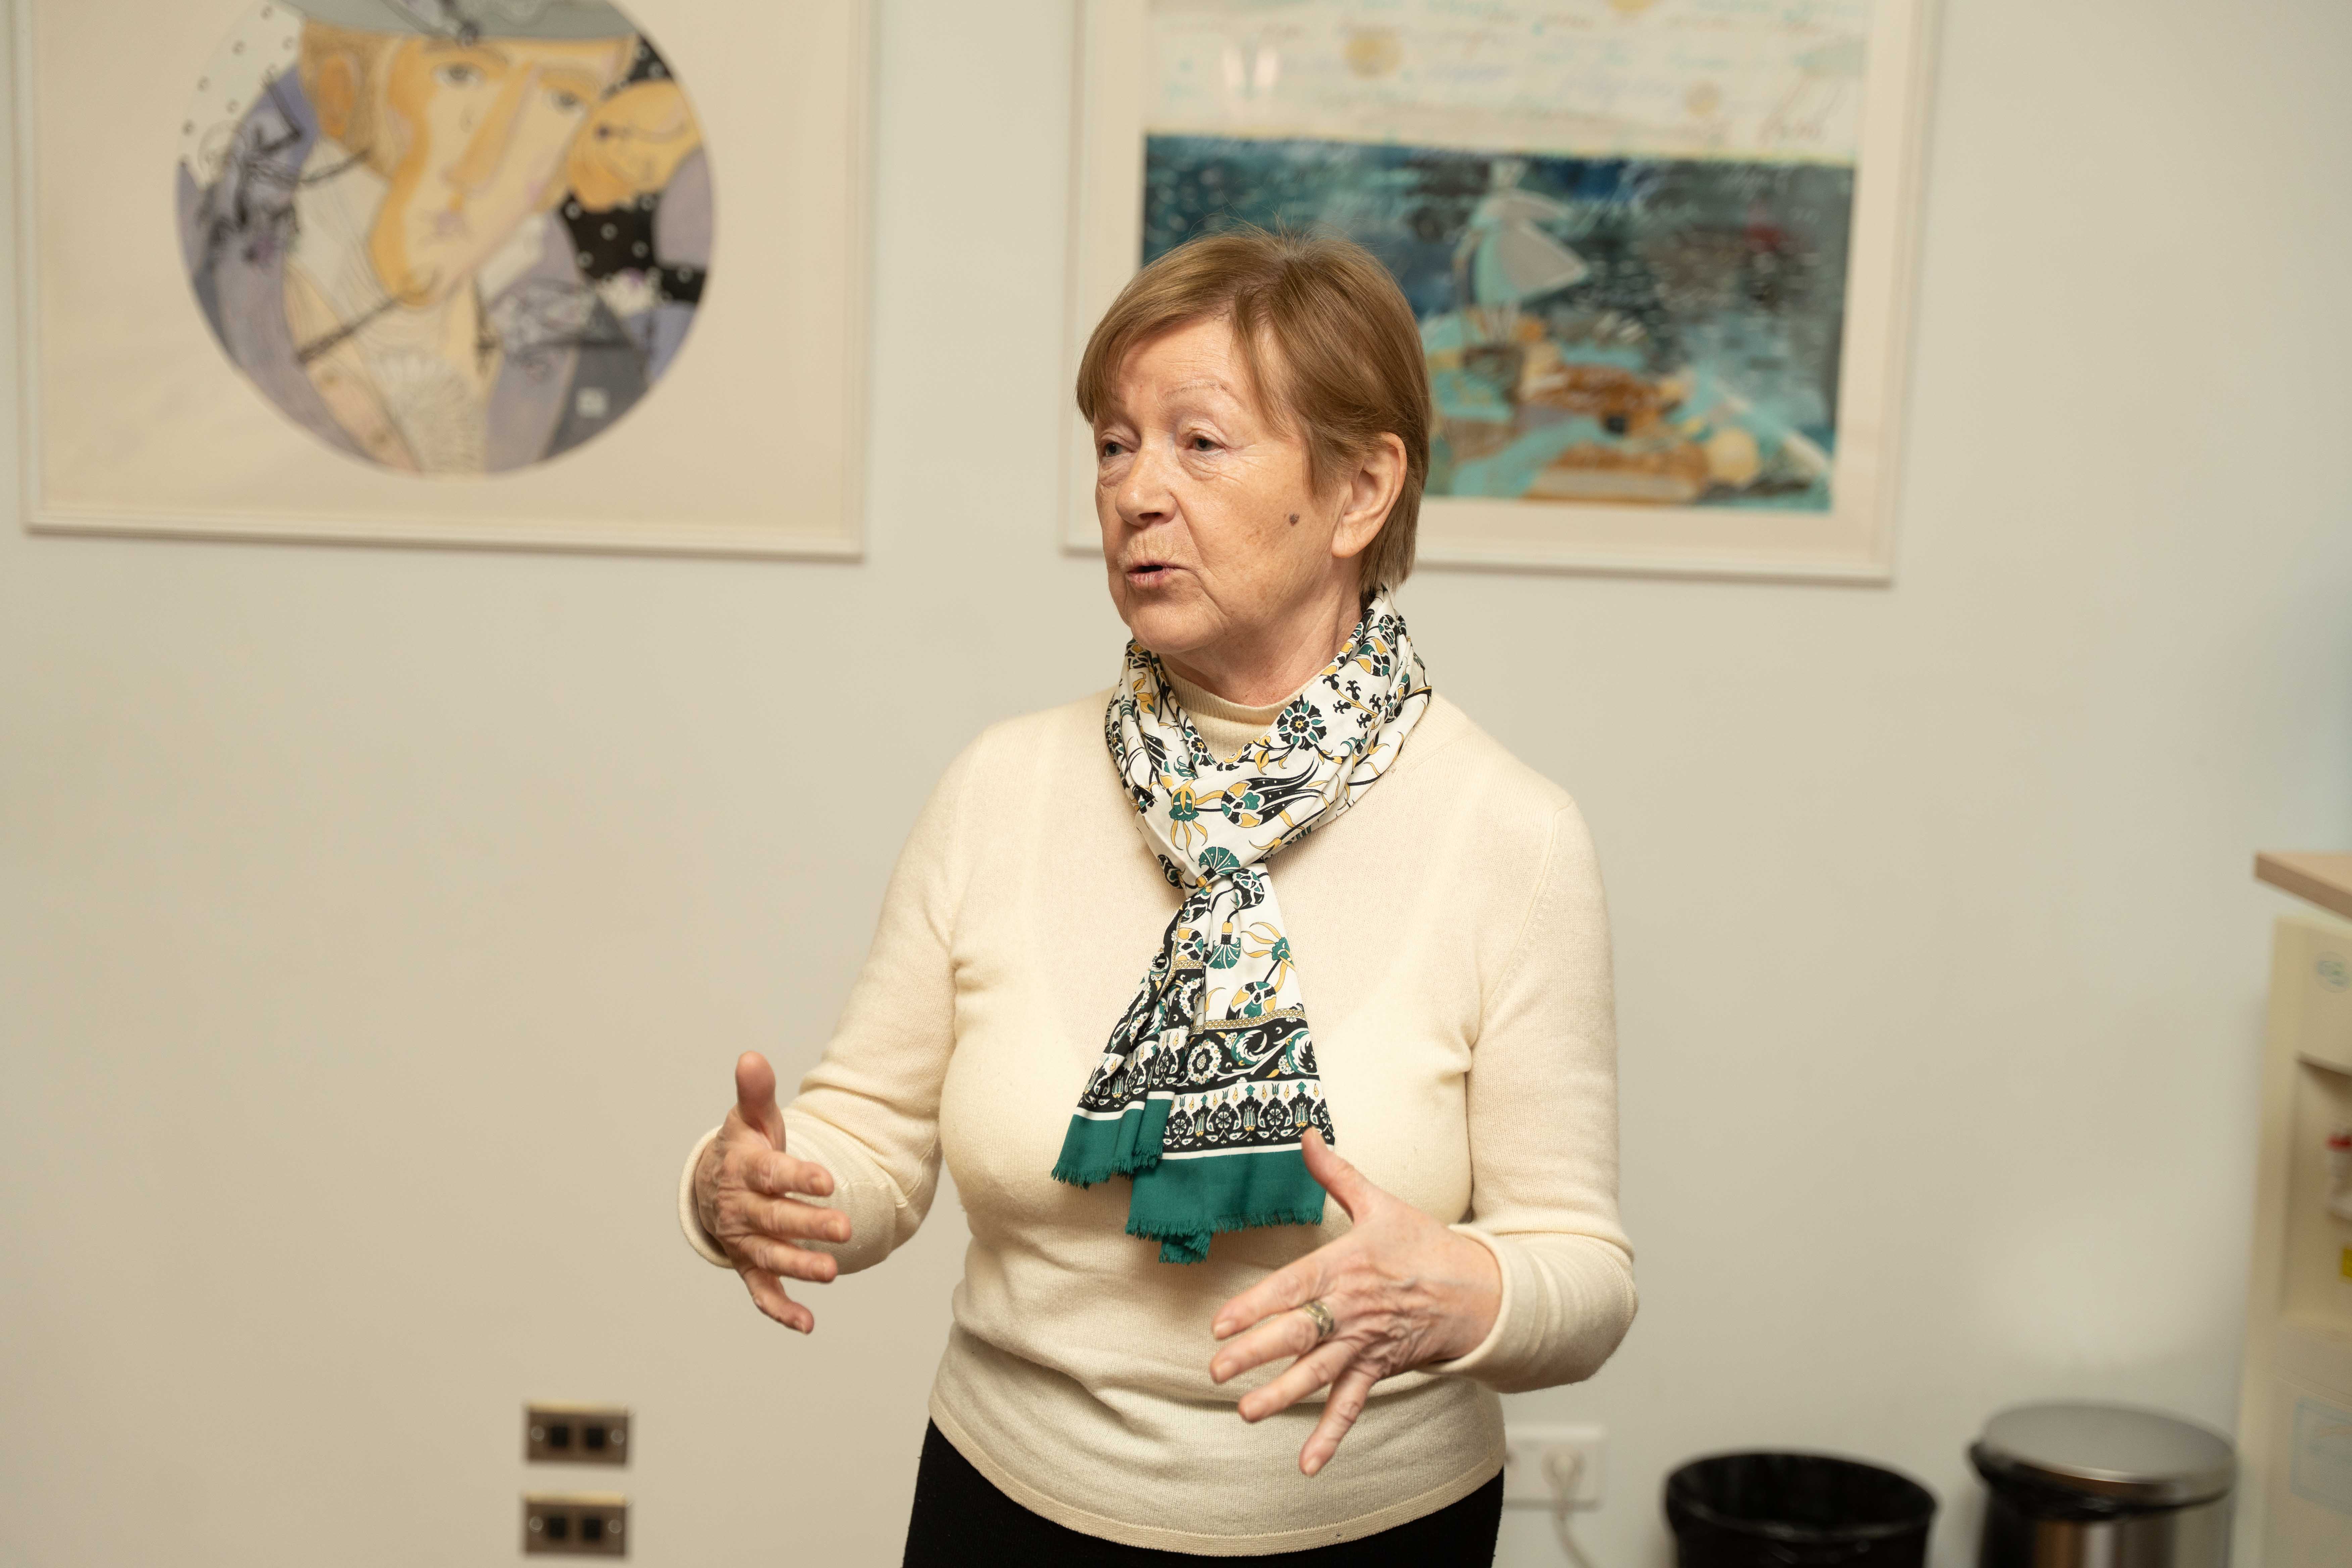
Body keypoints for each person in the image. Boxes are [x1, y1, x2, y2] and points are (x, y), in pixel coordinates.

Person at [678, 228, 1635, 1562]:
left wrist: (1465, 1288)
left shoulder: (1510, 834)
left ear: (1360, 490)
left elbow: (1579, 1272)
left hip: (1374, 1529)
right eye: (1114, 444)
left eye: (1199, 442)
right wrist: (751, 1184)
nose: (1135, 491)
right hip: (1003, 1510)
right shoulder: (1000, 786)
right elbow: (869, 1139)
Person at [176, 0, 708, 474]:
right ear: (343, 92)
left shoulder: (597, 369)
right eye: (460, 75)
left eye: (564, 100)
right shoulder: (197, 297)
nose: (486, 162)